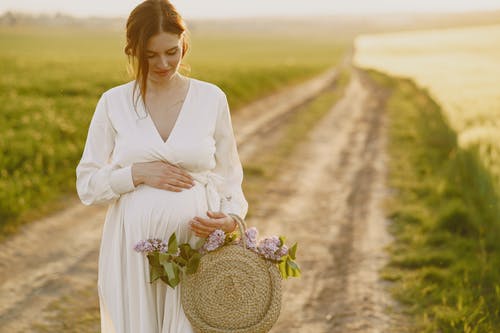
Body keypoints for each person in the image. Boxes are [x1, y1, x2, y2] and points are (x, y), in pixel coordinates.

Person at [75, 1, 248, 332]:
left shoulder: (211, 98)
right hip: (132, 252)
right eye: (150, 55)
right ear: (133, 50)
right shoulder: (114, 102)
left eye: (171, 51)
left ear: (184, 42)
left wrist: (231, 218)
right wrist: (135, 174)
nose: (164, 63)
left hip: (195, 252)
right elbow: (87, 184)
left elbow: (229, 175)